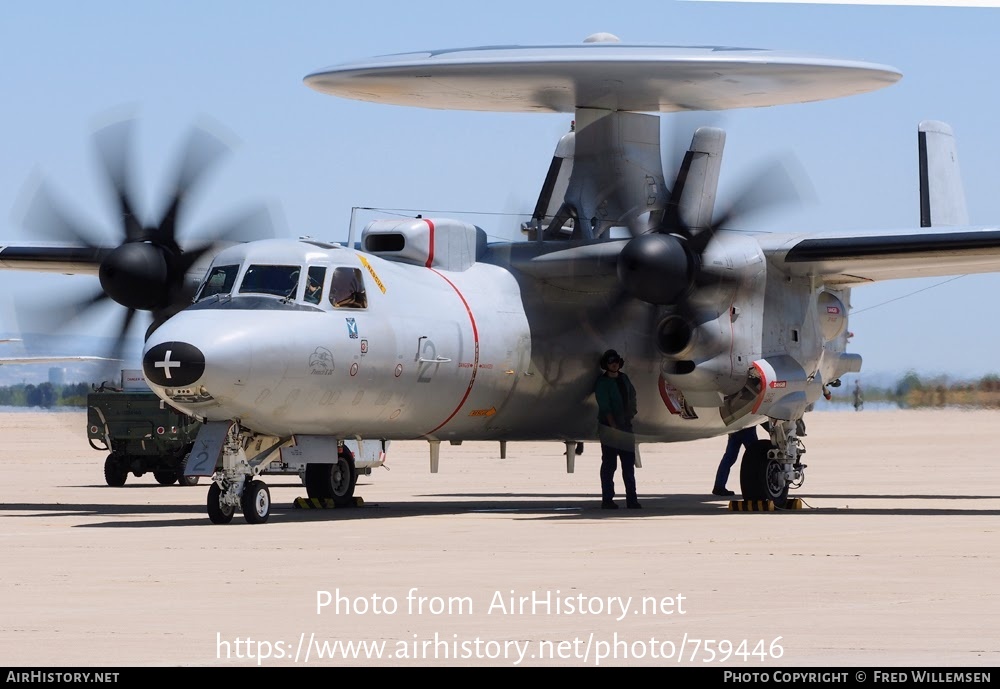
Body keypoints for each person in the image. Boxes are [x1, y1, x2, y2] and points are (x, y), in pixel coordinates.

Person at [593, 349, 641, 509]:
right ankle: (607, 499)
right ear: (606, 365)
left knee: (628, 465)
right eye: (611, 362)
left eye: (616, 362)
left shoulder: (624, 378)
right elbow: (605, 406)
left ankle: (632, 499)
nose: (614, 364)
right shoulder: (602, 383)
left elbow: (632, 395)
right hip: (609, 429)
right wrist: (613, 425)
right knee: (609, 465)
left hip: (625, 426)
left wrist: (631, 413)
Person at [712, 425, 758, 497]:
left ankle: (719, 486)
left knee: (729, 458)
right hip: (747, 427)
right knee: (755, 458)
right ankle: (756, 487)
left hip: (734, 428)